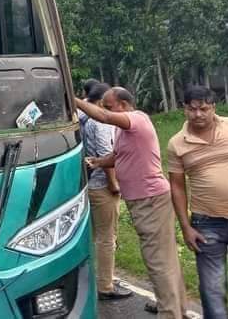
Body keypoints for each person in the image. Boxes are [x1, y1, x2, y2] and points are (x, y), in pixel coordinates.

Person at [78, 87, 187, 319]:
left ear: (124, 105)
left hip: (150, 200)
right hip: (144, 200)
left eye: (109, 106)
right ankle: (177, 309)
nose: (104, 110)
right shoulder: (122, 130)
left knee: (157, 260)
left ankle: (170, 313)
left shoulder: (137, 119)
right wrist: (98, 162)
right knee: (165, 258)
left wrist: (72, 99)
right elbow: (117, 156)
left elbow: (103, 117)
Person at [168, 85, 228, 319]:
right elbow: (177, 187)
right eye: (192, 109)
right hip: (206, 224)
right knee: (212, 289)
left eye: (204, 109)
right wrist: (185, 227)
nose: (198, 114)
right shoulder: (177, 143)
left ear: (213, 107)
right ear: (184, 109)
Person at [82, 82, 132, 301]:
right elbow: (105, 154)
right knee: (107, 238)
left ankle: (98, 278)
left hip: (89, 184)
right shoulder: (101, 123)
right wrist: (113, 184)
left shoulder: (84, 118)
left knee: (94, 236)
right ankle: (105, 286)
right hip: (102, 185)